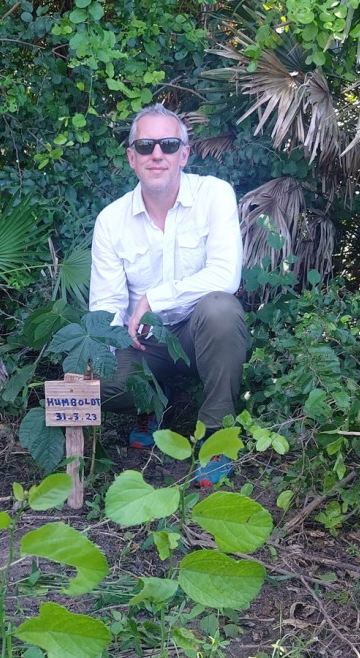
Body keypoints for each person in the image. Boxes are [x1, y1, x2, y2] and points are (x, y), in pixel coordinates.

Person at [89, 103, 249, 486]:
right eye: (145, 145)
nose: (157, 154)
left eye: (168, 144)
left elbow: (225, 276)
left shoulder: (214, 195)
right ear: (131, 157)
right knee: (98, 389)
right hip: (145, 346)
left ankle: (215, 436)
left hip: (199, 336)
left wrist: (152, 301)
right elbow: (107, 306)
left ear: (184, 153)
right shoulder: (111, 220)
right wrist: (106, 356)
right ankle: (151, 402)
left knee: (222, 310)